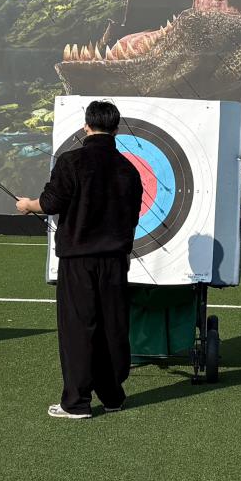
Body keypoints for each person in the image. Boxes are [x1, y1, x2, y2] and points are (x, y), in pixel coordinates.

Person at [16, 100, 143, 419]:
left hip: (78, 260)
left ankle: (76, 403)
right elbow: (132, 215)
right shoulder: (128, 169)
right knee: (111, 326)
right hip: (115, 260)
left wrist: (28, 205)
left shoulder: (71, 161)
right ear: (116, 129)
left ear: (86, 126)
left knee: (78, 328)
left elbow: (51, 202)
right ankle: (112, 396)